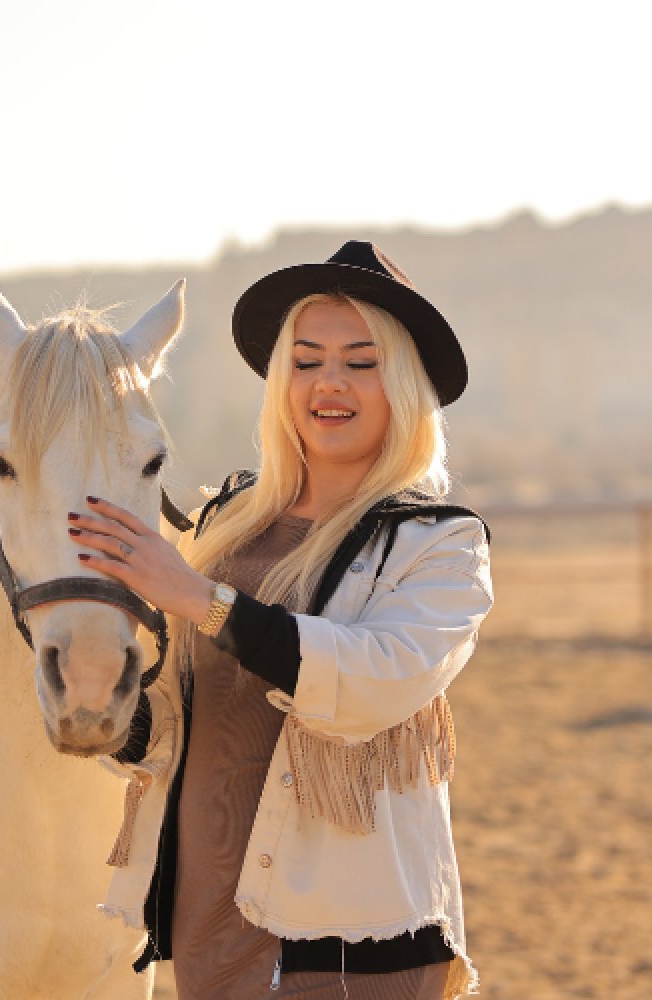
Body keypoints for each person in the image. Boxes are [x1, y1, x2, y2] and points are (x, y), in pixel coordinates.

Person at [67, 241, 494, 1000]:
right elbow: (184, 715)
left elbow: (376, 680)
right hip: (207, 919)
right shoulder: (225, 520)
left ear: (402, 384)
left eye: (361, 362)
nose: (329, 382)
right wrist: (113, 695)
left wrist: (199, 598)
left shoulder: (440, 541)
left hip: (348, 945)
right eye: (306, 360)